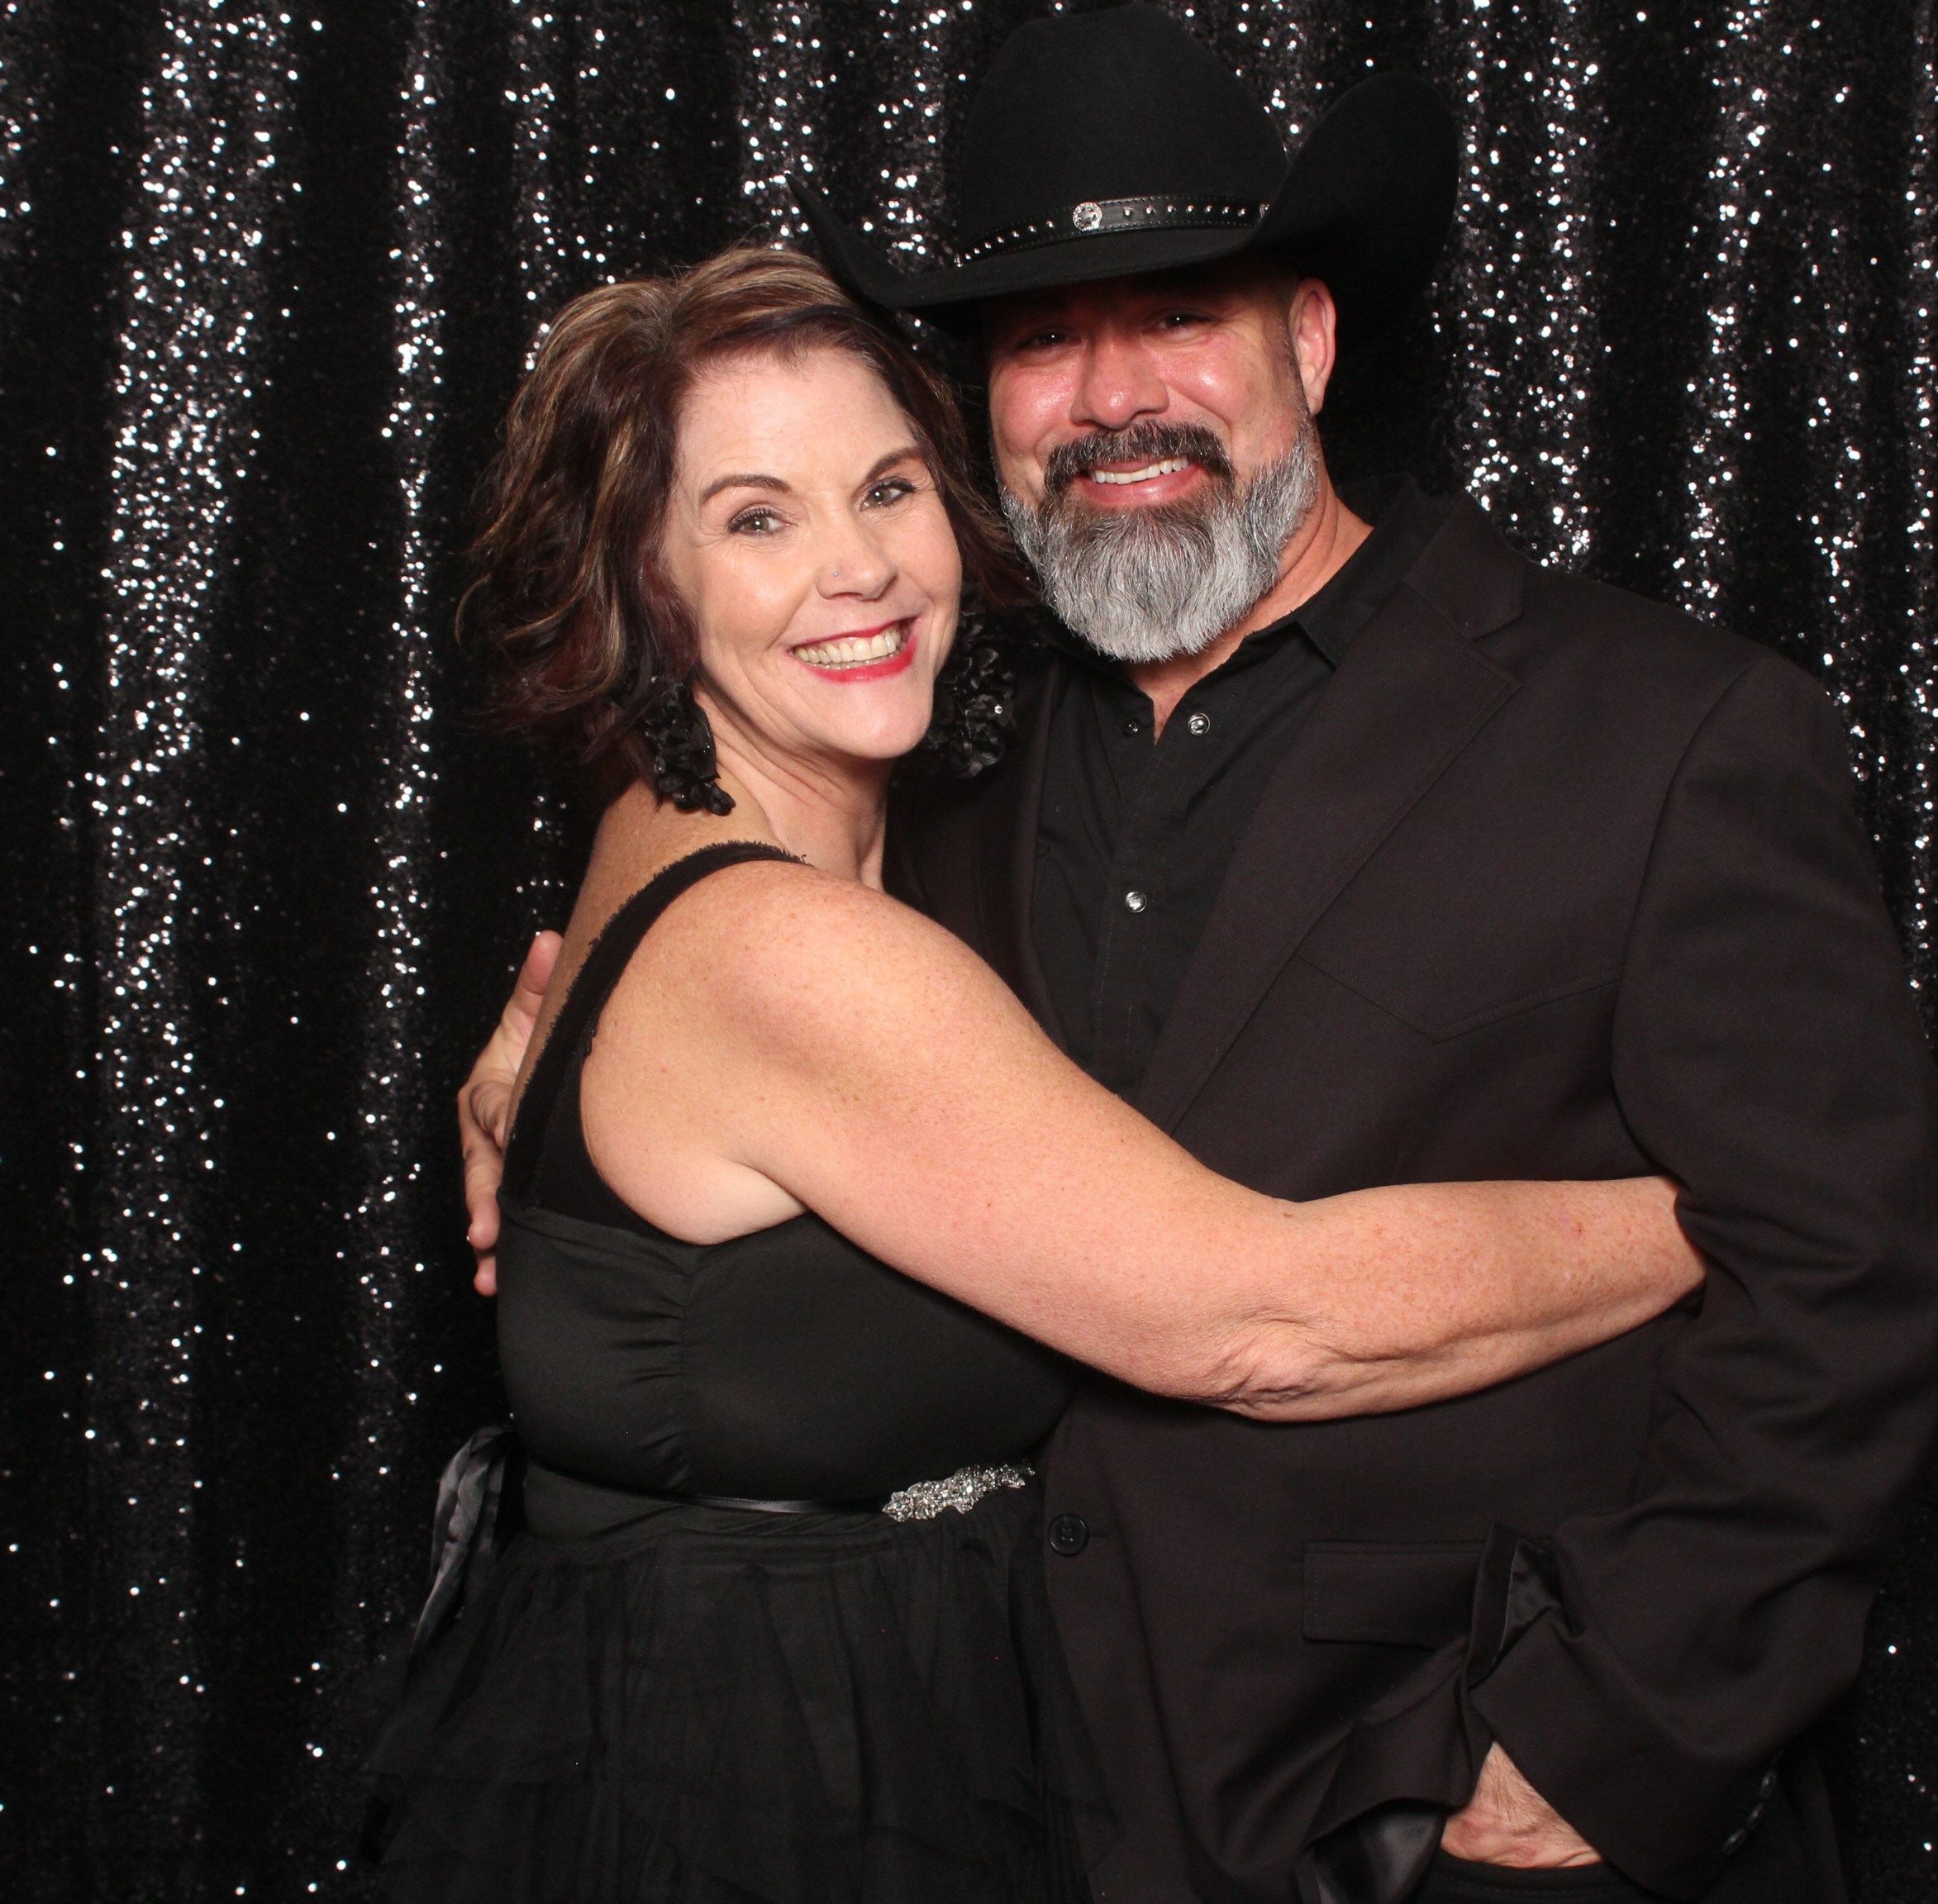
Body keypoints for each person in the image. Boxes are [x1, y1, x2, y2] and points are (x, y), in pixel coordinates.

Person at [462, 10, 1938, 1903]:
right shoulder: (935, 781)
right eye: (1042, 339)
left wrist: (1602, 1750)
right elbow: (727, 973)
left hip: (1455, 1810)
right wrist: (551, 1059)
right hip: (1011, 1804)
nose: (1112, 397)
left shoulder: (1664, 734)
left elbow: (1851, 1289)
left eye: (1178, 313)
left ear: (1309, 343)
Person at [370, 248, 1707, 1903]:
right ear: (644, 584)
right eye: (756, 519)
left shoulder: (699, 831)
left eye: (887, 489)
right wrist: (1712, 1214)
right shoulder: (790, 947)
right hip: (776, 1785)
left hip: (827, 1718)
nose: (860, 568)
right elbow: (1264, 1320)